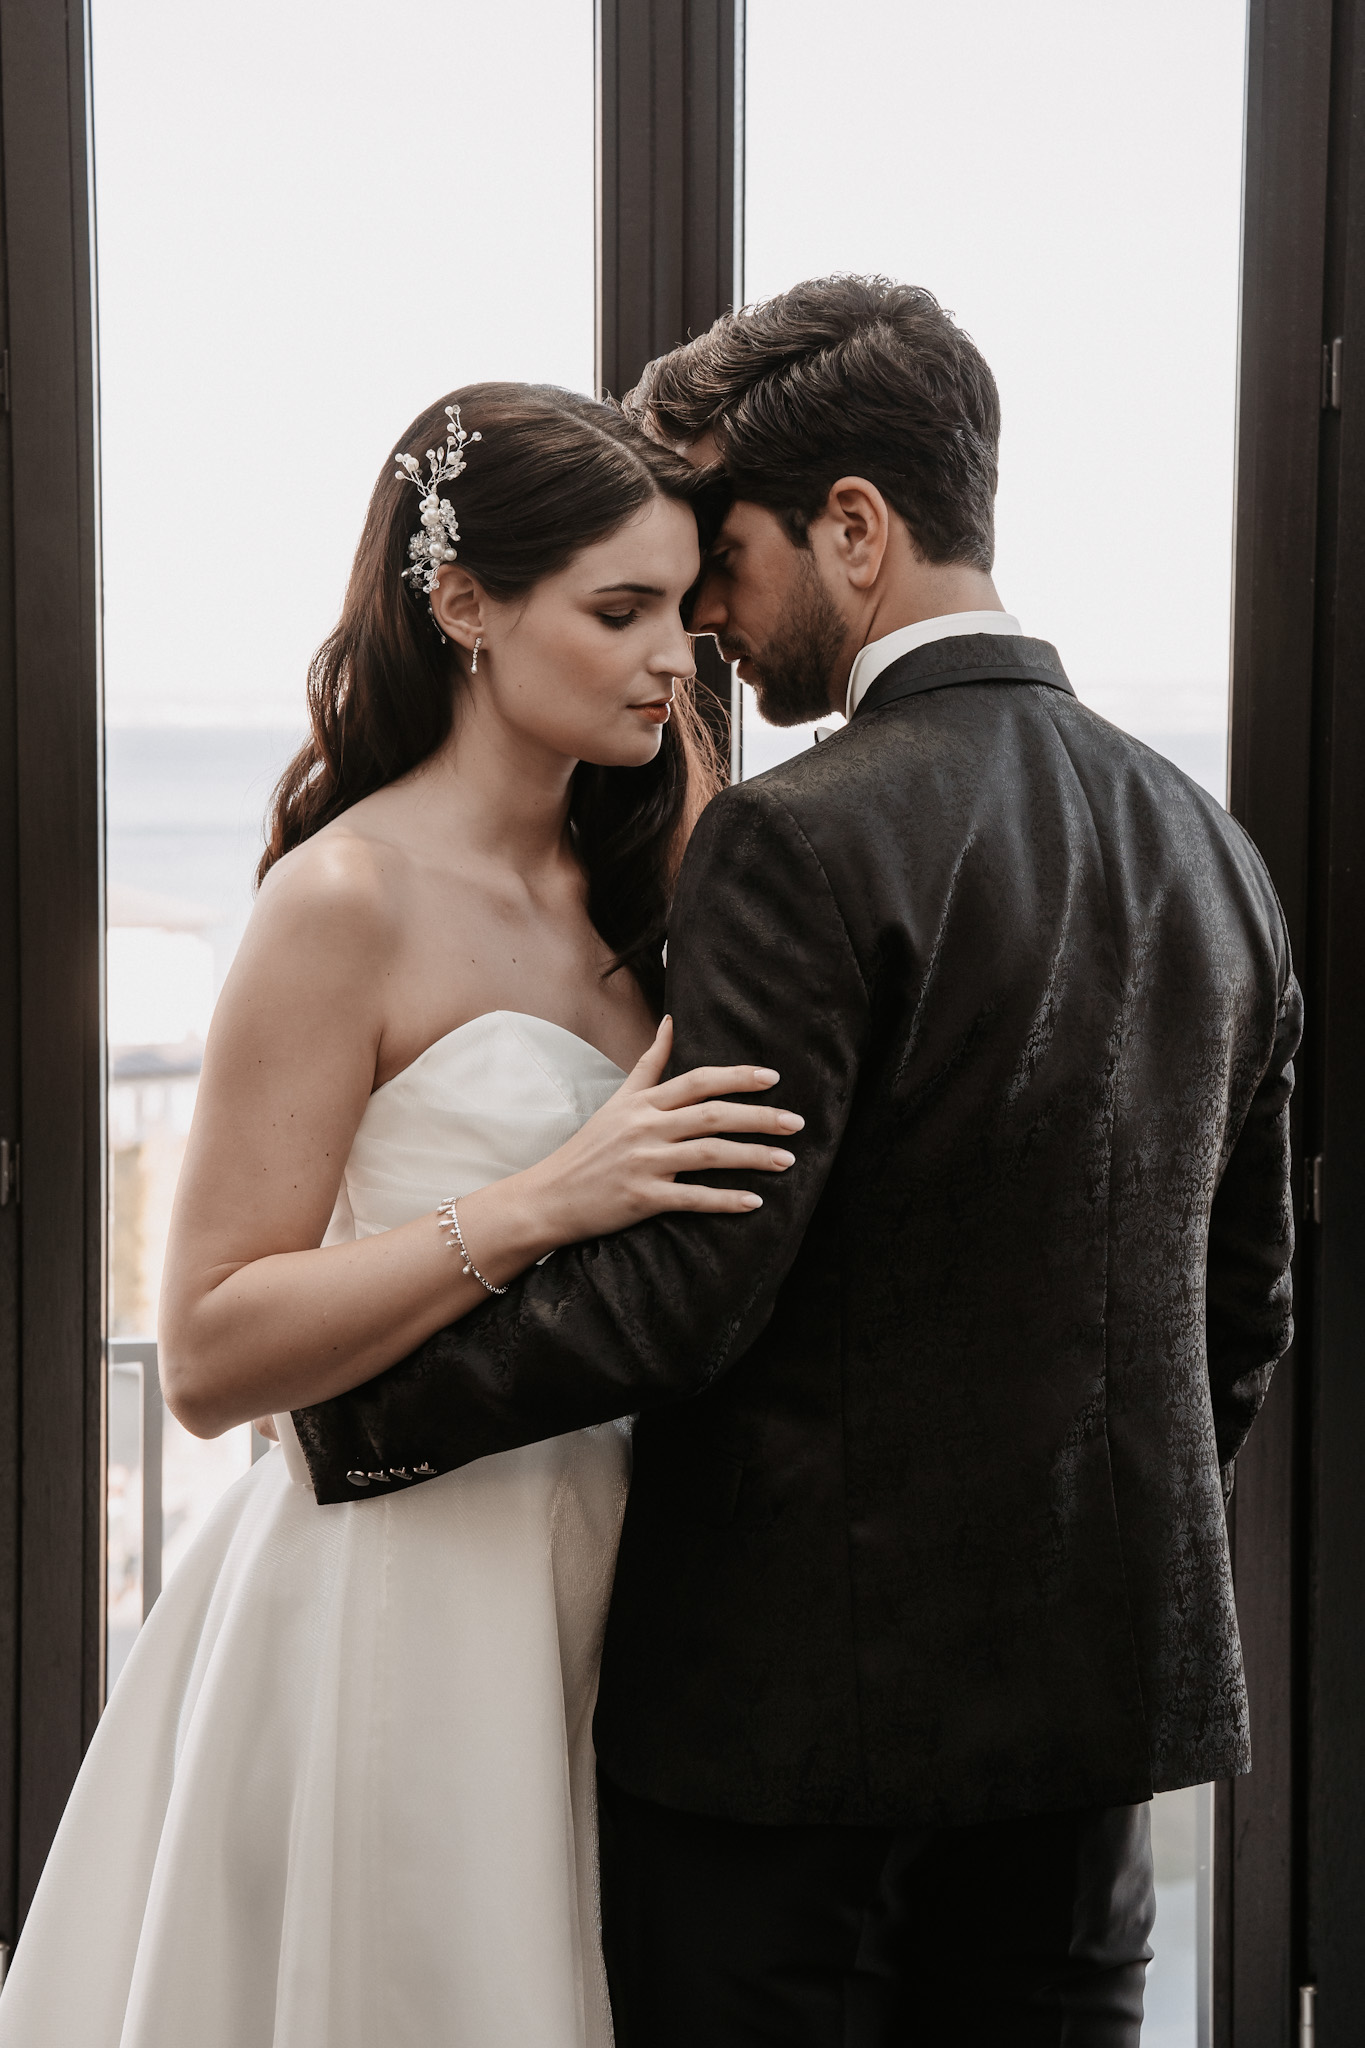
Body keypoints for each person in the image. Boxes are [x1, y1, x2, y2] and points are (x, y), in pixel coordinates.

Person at [293, 279, 1303, 2048]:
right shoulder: (1206, 844)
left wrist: (359, 1420)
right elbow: (1239, 1307)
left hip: (785, 1741)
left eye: (723, 567)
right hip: (1090, 1724)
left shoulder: (798, 831)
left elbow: (695, 1283)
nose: (708, 634)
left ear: (853, 527)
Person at [0, 385, 805, 2048]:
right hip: (407, 1587)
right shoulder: (342, 901)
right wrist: (532, 1205)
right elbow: (216, 1351)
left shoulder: (660, 872)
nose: (677, 656)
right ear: (463, 607)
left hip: (631, 1593)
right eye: (619, 609)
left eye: (683, 606)